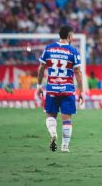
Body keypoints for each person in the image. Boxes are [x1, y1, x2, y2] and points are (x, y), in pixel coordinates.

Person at [36, 25, 84, 153]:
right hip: (67, 89)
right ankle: (65, 146)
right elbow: (78, 72)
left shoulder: (49, 48)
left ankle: (53, 132)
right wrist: (82, 91)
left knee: (50, 115)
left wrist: (39, 85)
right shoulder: (73, 51)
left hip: (52, 88)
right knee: (67, 119)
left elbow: (41, 68)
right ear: (69, 36)